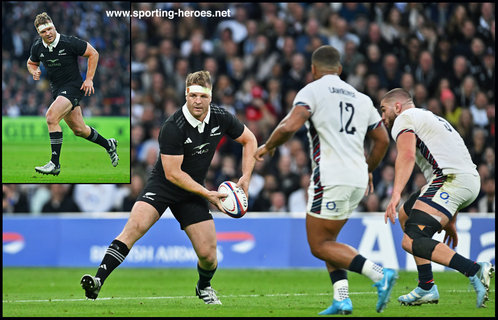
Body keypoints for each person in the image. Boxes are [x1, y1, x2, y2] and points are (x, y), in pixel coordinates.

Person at [81, 70, 257, 305]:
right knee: (134, 227)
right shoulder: (173, 126)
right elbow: (173, 174)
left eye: (202, 96)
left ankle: (203, 286)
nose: (197, 101)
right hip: (164, 184)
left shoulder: (220, 117)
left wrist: (246, 176)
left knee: (208, 256)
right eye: (193, 95)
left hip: (192, 191)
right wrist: (207, 194)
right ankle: (98, 281)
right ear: (186, 94)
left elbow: (250, 140)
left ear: (210, 97)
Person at [254, 45, 395, 315]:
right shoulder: (362, 98)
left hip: (331, 176)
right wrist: (369, 168)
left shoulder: (312, 90)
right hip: (356, 178)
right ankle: (342, 298)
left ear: (313, 69)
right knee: (330, 241)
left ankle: (380, 274)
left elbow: (289, 126)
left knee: (319, 245)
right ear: (340, 69)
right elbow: (382, 140)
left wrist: (268, 146)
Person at [380, 88, 494, 308]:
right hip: (464, 179)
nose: (383, 117)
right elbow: (454, 157)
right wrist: (450, 219)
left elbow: (407, 155)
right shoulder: (433, 118)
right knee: (405, 216)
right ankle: (426, 286)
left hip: (450, 180)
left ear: (397, 106)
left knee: (410, 240)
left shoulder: (403, 119)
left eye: (383, 110)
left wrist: (394, 194)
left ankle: (475, 270)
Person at [27, 12, 118, 175]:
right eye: (43, 31)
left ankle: (55, 164)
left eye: (49, 29)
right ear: (38, 33)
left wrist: (89, 79)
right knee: (80, 129)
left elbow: (93, 53)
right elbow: (31, 62)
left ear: (54, 26)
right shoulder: (37, 47)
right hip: (58, 91)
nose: (48, 33)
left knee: (51, 117)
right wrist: (33, 71)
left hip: (73, 87)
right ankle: (108, 145)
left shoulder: (69, 42)